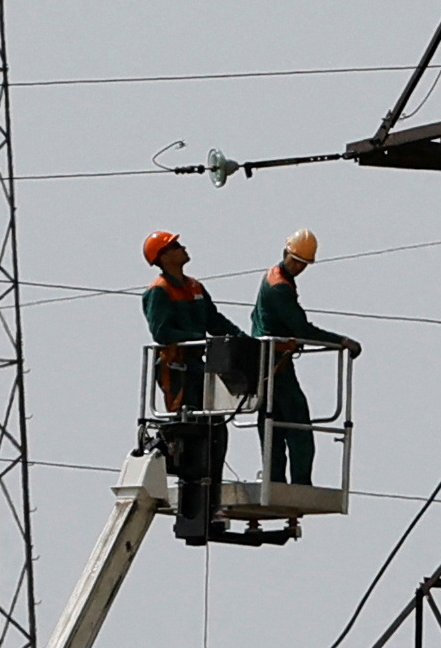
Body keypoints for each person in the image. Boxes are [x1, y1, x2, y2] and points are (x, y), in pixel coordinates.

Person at [141, 233, 241, 541]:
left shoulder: (195, 287)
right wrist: (198, 335)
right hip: (178, 369)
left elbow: (214, 319)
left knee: (216, 429)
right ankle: (195, 501)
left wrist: (240, 339)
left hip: (201, 367)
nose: (182, 248)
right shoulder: (159, 291)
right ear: (162, 256)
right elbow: (162, 331)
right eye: (174, 246)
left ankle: (213, 501)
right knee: (191, 432)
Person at [251, 229, 355, 489]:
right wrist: (341, 341)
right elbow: (302, 329)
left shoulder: (276, 278)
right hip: (275, 363)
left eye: (304, 264)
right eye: (296, 261)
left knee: (273, 420)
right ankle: (298, 483)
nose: (299, 267)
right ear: (286, 253)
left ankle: (276, 480)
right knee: (296, 422)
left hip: (270, 360)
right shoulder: (279, 288)